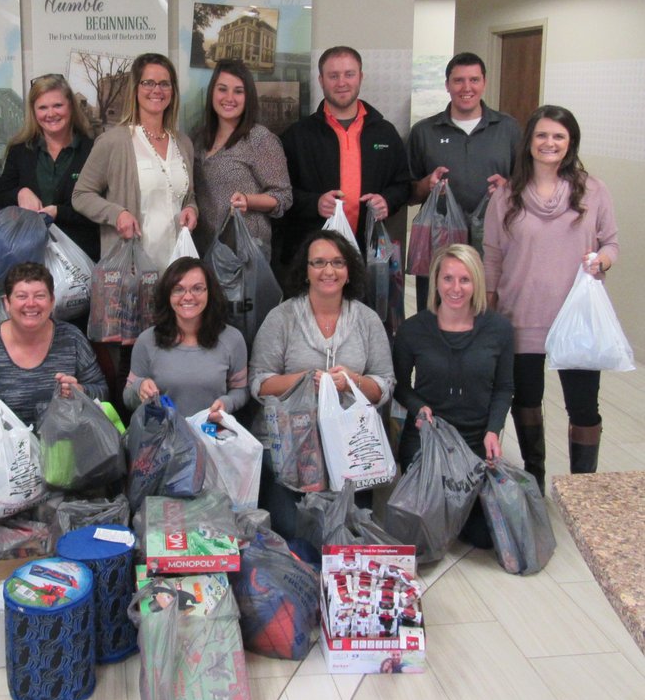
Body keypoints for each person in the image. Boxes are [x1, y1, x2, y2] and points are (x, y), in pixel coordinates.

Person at [484, 105, 619, 486]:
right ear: (529, 141)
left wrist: (602, 260)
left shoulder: (593, 190)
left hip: (577, 317)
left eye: (559, 136)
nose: (550, 143)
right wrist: (490, 309)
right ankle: (535, 480)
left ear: (570, 142)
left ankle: (582, 488)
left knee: (584, 408)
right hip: (520, 313)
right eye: (542, 135)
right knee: (526, 401)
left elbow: (611, 242)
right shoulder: (506, 195)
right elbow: (492, 255)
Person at [250, 230, 394, 533]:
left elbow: (384, 385)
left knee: (347, 533)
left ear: (349, 271)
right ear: (306, 271)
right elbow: (259, 383)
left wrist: (353, 381)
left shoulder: (368, 320)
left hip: (352, 449)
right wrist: (305, 380)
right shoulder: (281, 318)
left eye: (337, 263)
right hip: (291, 449)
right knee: (294, 532)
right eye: (318, 262)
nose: (329, 271)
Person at [394, 245, 513, 546]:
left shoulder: (499, 329)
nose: (455, 288)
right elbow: (399, 385)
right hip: (428, 440)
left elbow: (504, 388)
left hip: (474, 440)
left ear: (477, 283)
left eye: (464, 280)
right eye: (448, 278)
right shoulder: (413, 330)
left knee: (485, 538)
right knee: (422, 534)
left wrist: (493, 430)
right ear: (435, 281)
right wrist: (418, 407)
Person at [277, 46, 410, 270]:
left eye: (349, 74)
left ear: (360, 77)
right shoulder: (297, 135)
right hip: (313, 258)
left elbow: (404, 184)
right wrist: (314, 203)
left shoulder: (385, 132)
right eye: (333, 76)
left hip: (369, 255)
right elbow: (281, 193)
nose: (342, 83)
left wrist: (387, 200)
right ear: (321, 80)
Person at [408, 52, 521, 300]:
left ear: (484, 83)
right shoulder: (424, 132)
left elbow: (527, 188)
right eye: (458, 80)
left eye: (474, 80)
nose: (466, 88)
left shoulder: (508, 128)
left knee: (487, 309)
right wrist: (427, 184)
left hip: (493, 242)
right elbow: (409, 194)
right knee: (437, 311)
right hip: (440, 243)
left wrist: (508, 188)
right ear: (447, 85)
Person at [72, 52, 198, 268]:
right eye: (148, 83)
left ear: (173, 91)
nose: (157, 90)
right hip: (132, 270)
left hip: (178, 268)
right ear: (135, 89)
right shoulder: (113, 142)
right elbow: (81, 195)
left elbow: (188, 196)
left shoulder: (183, 143)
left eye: (164, 84)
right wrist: (117, 214)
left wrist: (192, 209)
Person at [0, 262, 107, 427]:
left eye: (40, 296)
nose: (31, 303)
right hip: (0, 441)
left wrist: (81, 392)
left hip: (63, 439)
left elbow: (102, 392)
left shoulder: (72, 338)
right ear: (7, 303)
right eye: (22, 296)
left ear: (52, 301)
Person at [124, 257, 248, 419]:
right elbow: (128, 398)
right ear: (168, 294)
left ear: (210, 292)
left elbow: (241, 390)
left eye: (197, 288)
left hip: (212, 431)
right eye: (178, 289)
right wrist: (139, 388)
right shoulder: (147, 341)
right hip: (163, 433)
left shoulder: (232, 339)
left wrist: (227, 403)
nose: (188, 297)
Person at [0, 74, 99, 261]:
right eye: (42, 107)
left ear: (71, 106)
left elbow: (100, 209)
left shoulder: (93, 150)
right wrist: (20, 193)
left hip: (81, 260)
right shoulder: (20, 151)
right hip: (29, 260)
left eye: (57, 105)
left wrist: (58, 212)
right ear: (34, 112)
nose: (51, 114)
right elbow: (0, 199)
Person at [193, 60, 292, 258]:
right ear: (212, 92)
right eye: (222, 89)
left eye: (238, 91)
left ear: (248, 97)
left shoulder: (259, 139)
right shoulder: (199, 138)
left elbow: (284, 196)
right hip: (204, 250)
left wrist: (249, 200)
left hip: (245, 253)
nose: (229, 98)